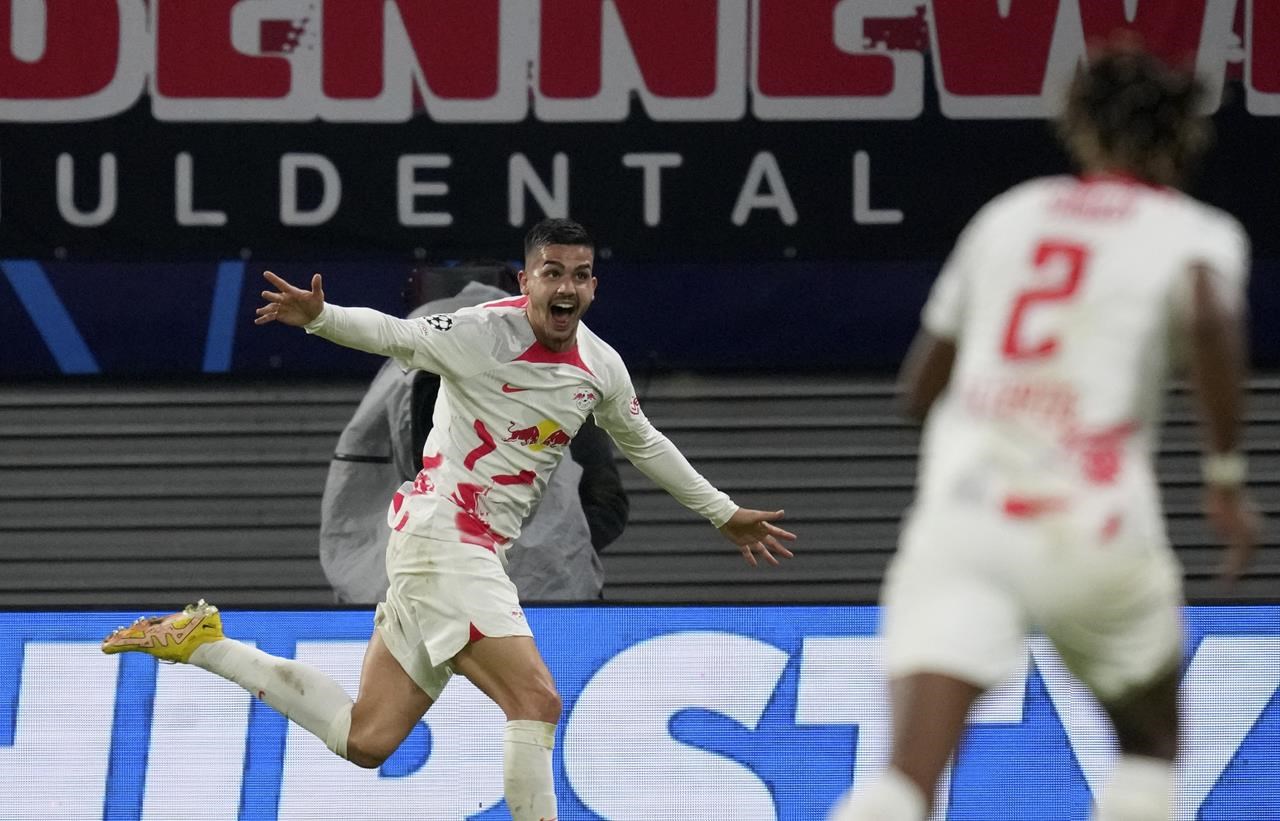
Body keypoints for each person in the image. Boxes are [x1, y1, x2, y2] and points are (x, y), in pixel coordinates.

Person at [103, 218, 795, 821]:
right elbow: (394, 333)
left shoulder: (600, 367)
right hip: (444, 537)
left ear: (593, 286)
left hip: (459, 550)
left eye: (580, 275)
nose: (566, 287)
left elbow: (645, 443)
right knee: (537, 700)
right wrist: (320, 317)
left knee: (365, 738)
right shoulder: (480, 333)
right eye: (552, 272)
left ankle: (203, 642)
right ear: (526, 280)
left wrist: (723, 513)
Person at [831, 46, 1260, 821]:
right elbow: (1211, 313)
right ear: (1182, 141)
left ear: (1081, 129)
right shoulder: (1195, 232)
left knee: (906, 776)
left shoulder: (1011, 214)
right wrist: (1224, 477)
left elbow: (917, 391)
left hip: (965, 518)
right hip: (1091, 521)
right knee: (1149, 746)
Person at [321, 263, 628, 604]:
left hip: (420, 596)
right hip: (544, 596)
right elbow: (607, 502)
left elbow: (365, 496)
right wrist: (555, 545)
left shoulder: (401, 375)